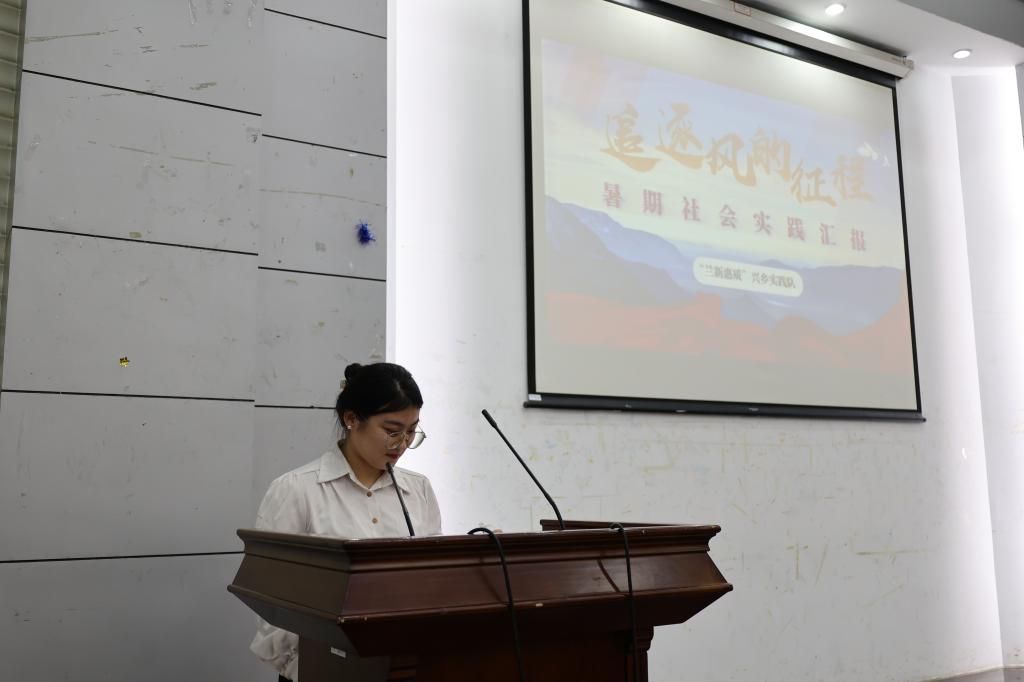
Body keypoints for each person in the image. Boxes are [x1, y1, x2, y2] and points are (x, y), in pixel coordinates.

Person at [249, 362, 442, 681]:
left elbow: (432, 582)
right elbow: (270, 602)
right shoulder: (297, 490)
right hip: (319, 670)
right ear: (351, 419)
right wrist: (309, 663)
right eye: (392, 431)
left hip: (401, 667)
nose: (402, 444)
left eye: (411, 431)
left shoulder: (417, 490)